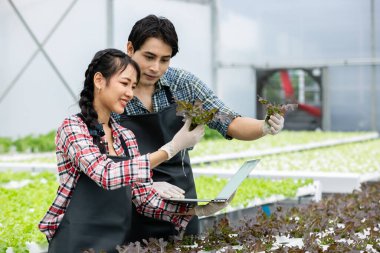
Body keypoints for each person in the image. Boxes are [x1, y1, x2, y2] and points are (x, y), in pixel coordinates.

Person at [113, 14, 285, 242]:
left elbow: (230, 121)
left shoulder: (183, 84)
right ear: (130, 48)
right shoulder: (111, 88)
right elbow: (102, 164)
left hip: (181, 207)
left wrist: (263, 126)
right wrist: (145, 183)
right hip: (129, 207)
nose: (155, 67)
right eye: (149, 57)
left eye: (164, 60)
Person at [38, 48, 227, 253]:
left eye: (133, 86)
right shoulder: (73, 128)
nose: (130, 93)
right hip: (74, 241)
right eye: (124, 83)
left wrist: (195, 210)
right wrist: (170, 149)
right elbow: (105, 173)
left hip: (112, 242)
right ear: (99, 80)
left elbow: (144, 199)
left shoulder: (125, 137)